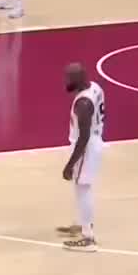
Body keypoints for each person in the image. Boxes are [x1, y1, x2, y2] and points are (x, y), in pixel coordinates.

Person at [57, 63, 105, 252]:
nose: (66, 81)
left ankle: (88, 238)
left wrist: (70, 164)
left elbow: (83, 137)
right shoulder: (95, 87)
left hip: (86, 147)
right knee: (81, 188)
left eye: (69, 78)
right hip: (94, 140)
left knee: (83, 189)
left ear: (77, 80)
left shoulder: (83, 104)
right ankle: (81, 223)